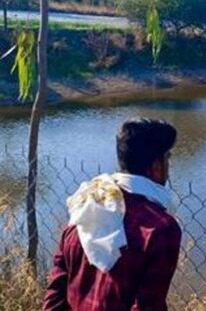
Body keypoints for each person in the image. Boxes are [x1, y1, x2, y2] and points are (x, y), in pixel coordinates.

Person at [42, 119, 182, 311]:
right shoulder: (161, 228)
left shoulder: (85, 208)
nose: (168, 166)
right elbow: (148, 306)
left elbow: (55, 295)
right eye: (167, 158)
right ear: (157, 166)